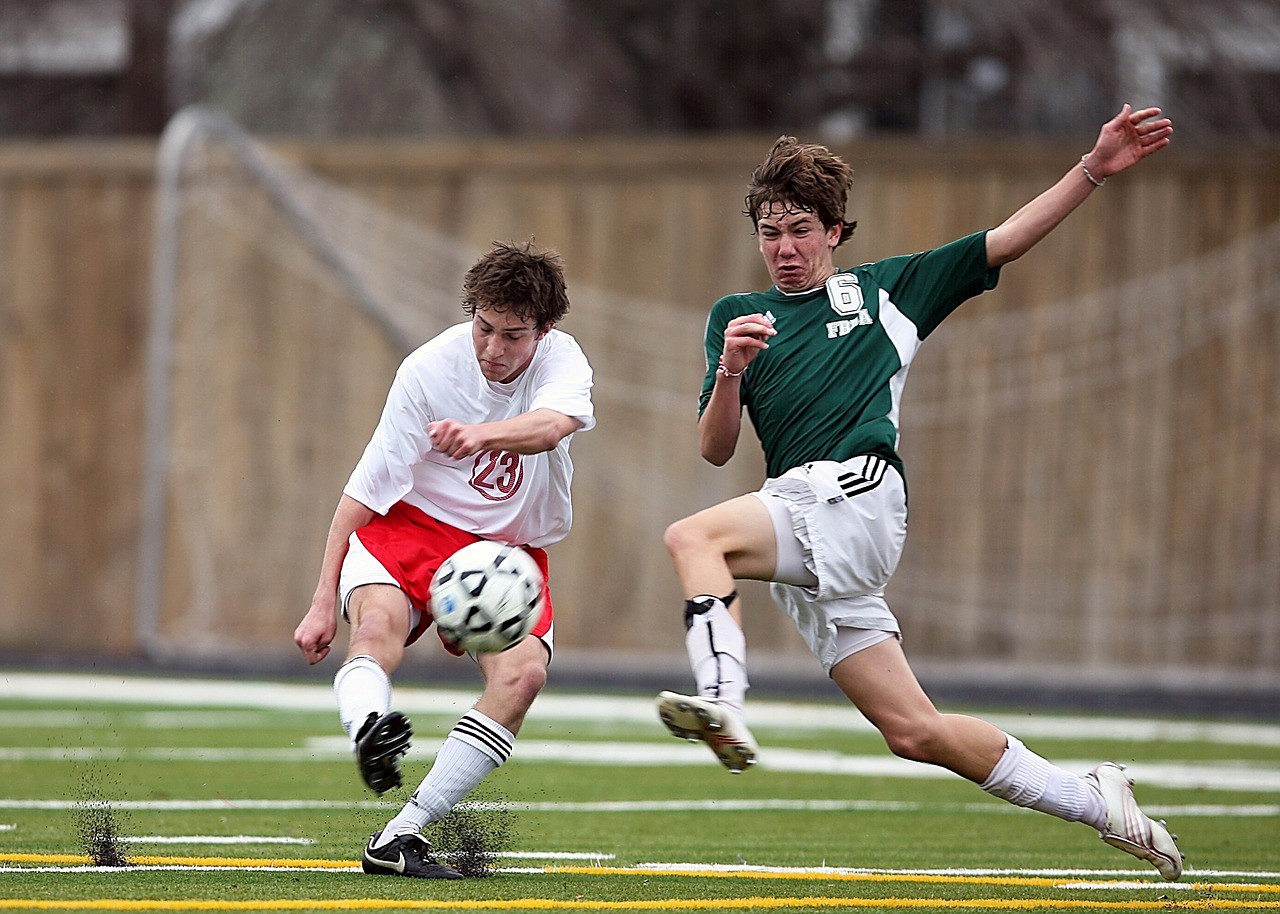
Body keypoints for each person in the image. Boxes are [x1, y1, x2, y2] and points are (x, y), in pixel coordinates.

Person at [655, 106, 1185, 881]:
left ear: (836, 230)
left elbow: (1004, 239)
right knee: (915, 731)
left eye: (801, 228)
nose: (784, 248)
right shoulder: (736, 317)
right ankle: (1099, 801)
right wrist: (731, 368)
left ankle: (723, 703)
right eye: (770, 233)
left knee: (692, 539)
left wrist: (1093, 169)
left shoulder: (888, 291)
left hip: (853, 497)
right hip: (806, 518)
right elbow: (714, 449)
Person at [294, 240, 594, 879]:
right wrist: (323, 602)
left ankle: (400, 835)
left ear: (544, 330)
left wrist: (480, 434)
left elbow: (553, 425)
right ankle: (370, 728)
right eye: (484, 328)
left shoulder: (562, 361)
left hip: (503, 552)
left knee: (523, 678)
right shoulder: (427, 371)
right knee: (374, 630)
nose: (492, 348)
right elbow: (362, 494)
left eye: (512, 336)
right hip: (413, 527)